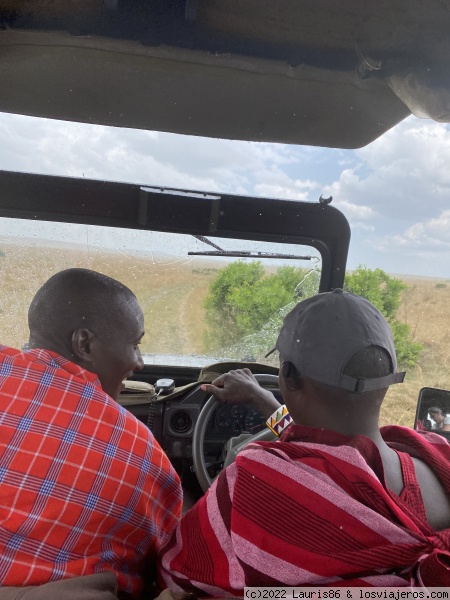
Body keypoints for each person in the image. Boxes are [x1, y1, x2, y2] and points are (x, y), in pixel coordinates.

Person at [159, 289, 450, 593]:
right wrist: (263, 399)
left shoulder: (254, 483)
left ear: (287, 376)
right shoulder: (436, 456)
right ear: (388, 379)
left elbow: (179, 572)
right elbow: (333, 451)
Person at [0, 269, 182, 598]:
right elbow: (166, 562)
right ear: (84, 344)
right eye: (135, 344)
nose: (140, 362)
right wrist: (270, 408)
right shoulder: (139, 450)